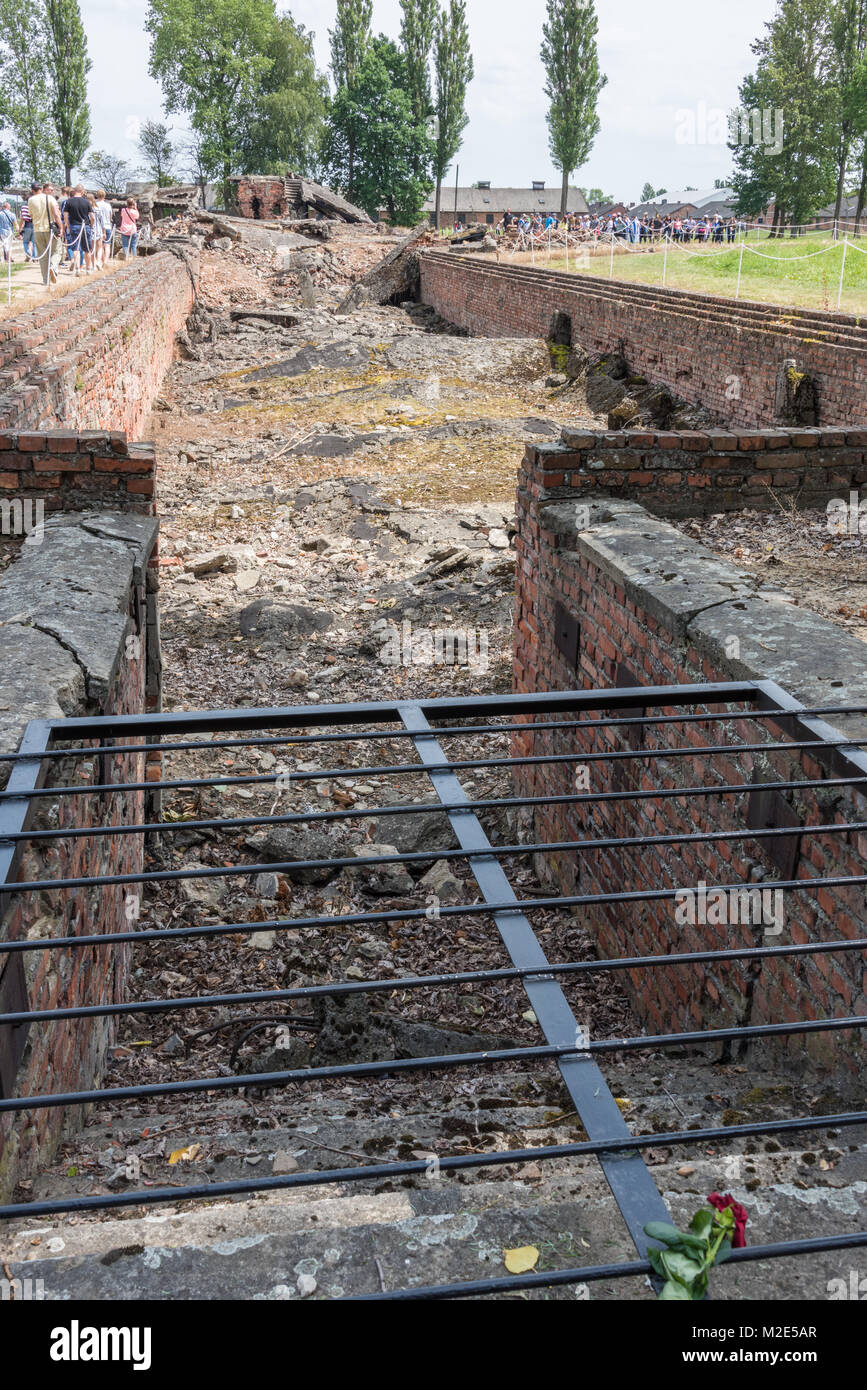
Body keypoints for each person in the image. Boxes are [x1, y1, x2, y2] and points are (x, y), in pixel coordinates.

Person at [27, 181, 62, 286]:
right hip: (50, 229)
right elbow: (56, 214)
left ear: (33, 190)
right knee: (56, 251)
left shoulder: (30, 200)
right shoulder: (50, 198)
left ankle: (45, 280)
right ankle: (53, 266)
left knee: (43, 255)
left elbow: (31, 215)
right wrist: (61, 227)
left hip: (37, 230)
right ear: (41, 189)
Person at [64, 183, 95, 273]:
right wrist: (91, 225)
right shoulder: (86, 202)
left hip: (74, 226)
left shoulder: (69, 201)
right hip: (85, 226)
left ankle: (77, 268)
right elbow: (92, 217)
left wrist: (68, 226)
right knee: (87, 249)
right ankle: (88, 269)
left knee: (76, 248)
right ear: (82, 191)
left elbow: (65, 215)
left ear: (74, 191)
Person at [93, 188, 113, 266]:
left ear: (97, 196)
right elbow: (110, 217)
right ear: (104, 196)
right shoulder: (108, 205)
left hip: (98, 227)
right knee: (107, 245)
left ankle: (100, 260)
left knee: (99, 246)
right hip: (107, 226)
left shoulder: (95, 205)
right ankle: (105, 261)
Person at [20, 186, 38, 261]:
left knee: (25, 242)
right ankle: (35, 257)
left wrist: (20, 229)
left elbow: (22, 219)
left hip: (27, 225)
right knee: (34, 243)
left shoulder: (23, 207)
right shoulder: (35, 207)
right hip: (34, 225)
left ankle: (28, 253)